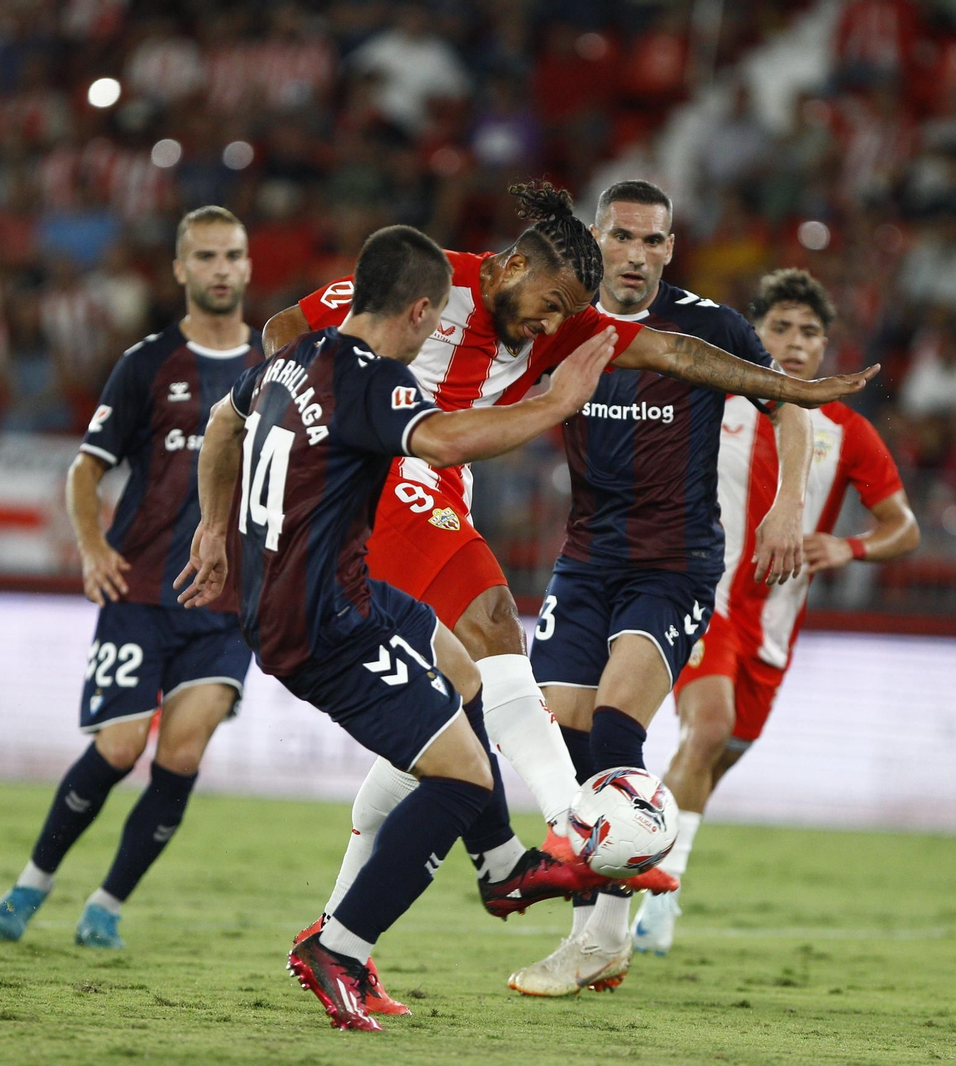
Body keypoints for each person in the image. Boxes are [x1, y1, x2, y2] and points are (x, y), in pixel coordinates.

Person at [261, 182, 877, 996]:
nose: (549, 328)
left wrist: (794, 391)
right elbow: (287, 329)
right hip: (402, 479)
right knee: (489, 643)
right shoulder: (430, 276)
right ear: (532, 259)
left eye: (654, 241)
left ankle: (348, 935)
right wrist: (302, 415)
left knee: (455, 718)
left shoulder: (598, 324)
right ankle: (564, 836)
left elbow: (680, 355)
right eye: (550, 304)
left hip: (611, 542)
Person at [175, 224, 622, 1032]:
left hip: (316, 594)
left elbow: (218, 424)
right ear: (419, 311)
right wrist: (555, 402)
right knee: (460, 779)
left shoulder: (289, 359)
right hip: (324, 623)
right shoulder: (369, 380)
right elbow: (446, 441)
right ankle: (339, 946)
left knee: (469, 675)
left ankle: (501, 866)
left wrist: (213, 529)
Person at [510, 180, 813, 996]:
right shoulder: (562, 321)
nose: (636, 255)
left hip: (673, 564)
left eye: (652, 241)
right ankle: (600, 924)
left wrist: (786, 508)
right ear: (595, 241)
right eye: (621, 238)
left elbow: (792, 407)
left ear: (670, 249)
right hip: (583, 561)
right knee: (567, 742)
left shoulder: (709, 327)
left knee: (616, 727)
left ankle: (602, 937)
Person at [0, 207, 257, 949]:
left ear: (248, 265)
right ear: (180, 270)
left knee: (184, 751)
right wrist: (91, 547)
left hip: (228, 605)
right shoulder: (147, 363)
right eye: (206, 256)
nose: (222, 269)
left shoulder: (278, 369)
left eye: (232, 255)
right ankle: (32, 883)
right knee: (118, 748)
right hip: (140, 593)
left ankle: (107, 903)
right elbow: (86, 467)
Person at [632, 269, 920, 955]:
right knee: (708, 730)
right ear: (754, 335)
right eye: (780, 328)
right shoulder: (716, 398)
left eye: (810, 332)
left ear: (826, 346)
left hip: (773, 630)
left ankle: (637, 860)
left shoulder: (846, 431)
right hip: (706, 600)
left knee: (713, 757)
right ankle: (652, 905)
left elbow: (903, 527)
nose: (794, 344)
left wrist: (848, 546)